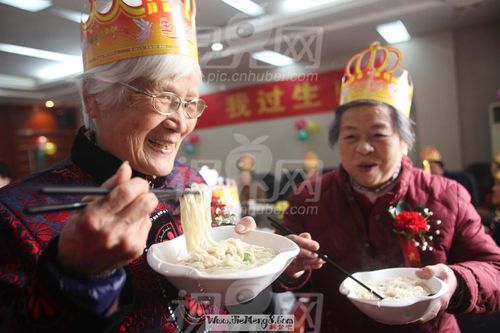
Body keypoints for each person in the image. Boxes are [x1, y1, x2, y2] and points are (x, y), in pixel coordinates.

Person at [0, 1, 256, 332]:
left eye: (191, 103)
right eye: (164, 97)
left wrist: (234, 248)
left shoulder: (189, 180)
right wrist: (73, 275)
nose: (180, 123)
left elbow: (211, 294)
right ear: (93, 96)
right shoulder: (15, 214)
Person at [276, 41, 500, 332]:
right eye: (350, 136)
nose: (363, 148)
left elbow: (494, 269)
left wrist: (457, 281)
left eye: (378, 134)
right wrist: (290, 268)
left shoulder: (446, 195)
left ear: (405, 142)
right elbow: (284, 280)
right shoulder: (308, 196)